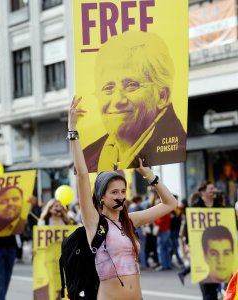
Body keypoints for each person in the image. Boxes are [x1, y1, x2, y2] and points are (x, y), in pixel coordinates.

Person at [68, 96, 177, 300]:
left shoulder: (130, 221)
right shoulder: (93, 223)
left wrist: (149, 175)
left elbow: (171, 203)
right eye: (114, 192)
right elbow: (82, 174)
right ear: (101, 197)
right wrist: (73, 130)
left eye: (123, 191)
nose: (121, 197)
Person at [83, 31, 186, 172]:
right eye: (108, 88)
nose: (118, 100)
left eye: (131, 85)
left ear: (162, 96)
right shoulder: (87, 157)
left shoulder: (175, 147)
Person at [193, 180, 224, 300]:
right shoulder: (195, 208)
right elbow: (189, 229)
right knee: (207, 288)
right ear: (203, 192)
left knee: (216, 287)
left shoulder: (220, 206)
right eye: (211, 189)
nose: (213, 191)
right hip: (202, 252)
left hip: (219, 251)